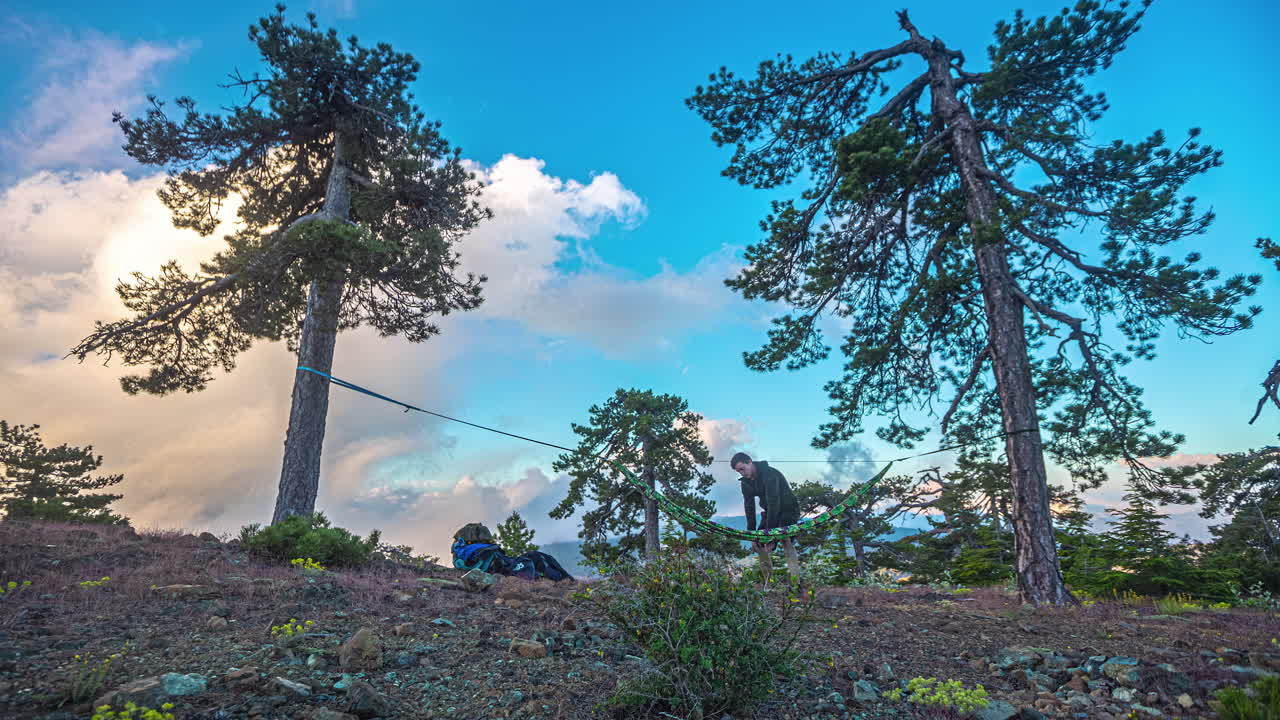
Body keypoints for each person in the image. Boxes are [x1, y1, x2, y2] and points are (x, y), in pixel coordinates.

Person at [731, 452, 801, 585]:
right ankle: (769, 582)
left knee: (785, 539)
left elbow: (774, 503)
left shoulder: (769, 474)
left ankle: (796, 582)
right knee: (758, 542)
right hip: (770, 512)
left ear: (749, 462)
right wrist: (752, 534)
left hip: (788, 509)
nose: (742, 473)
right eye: (738, 471)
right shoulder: (746, 482)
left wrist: (772, 536)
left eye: (742, 469)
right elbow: (749, 507)